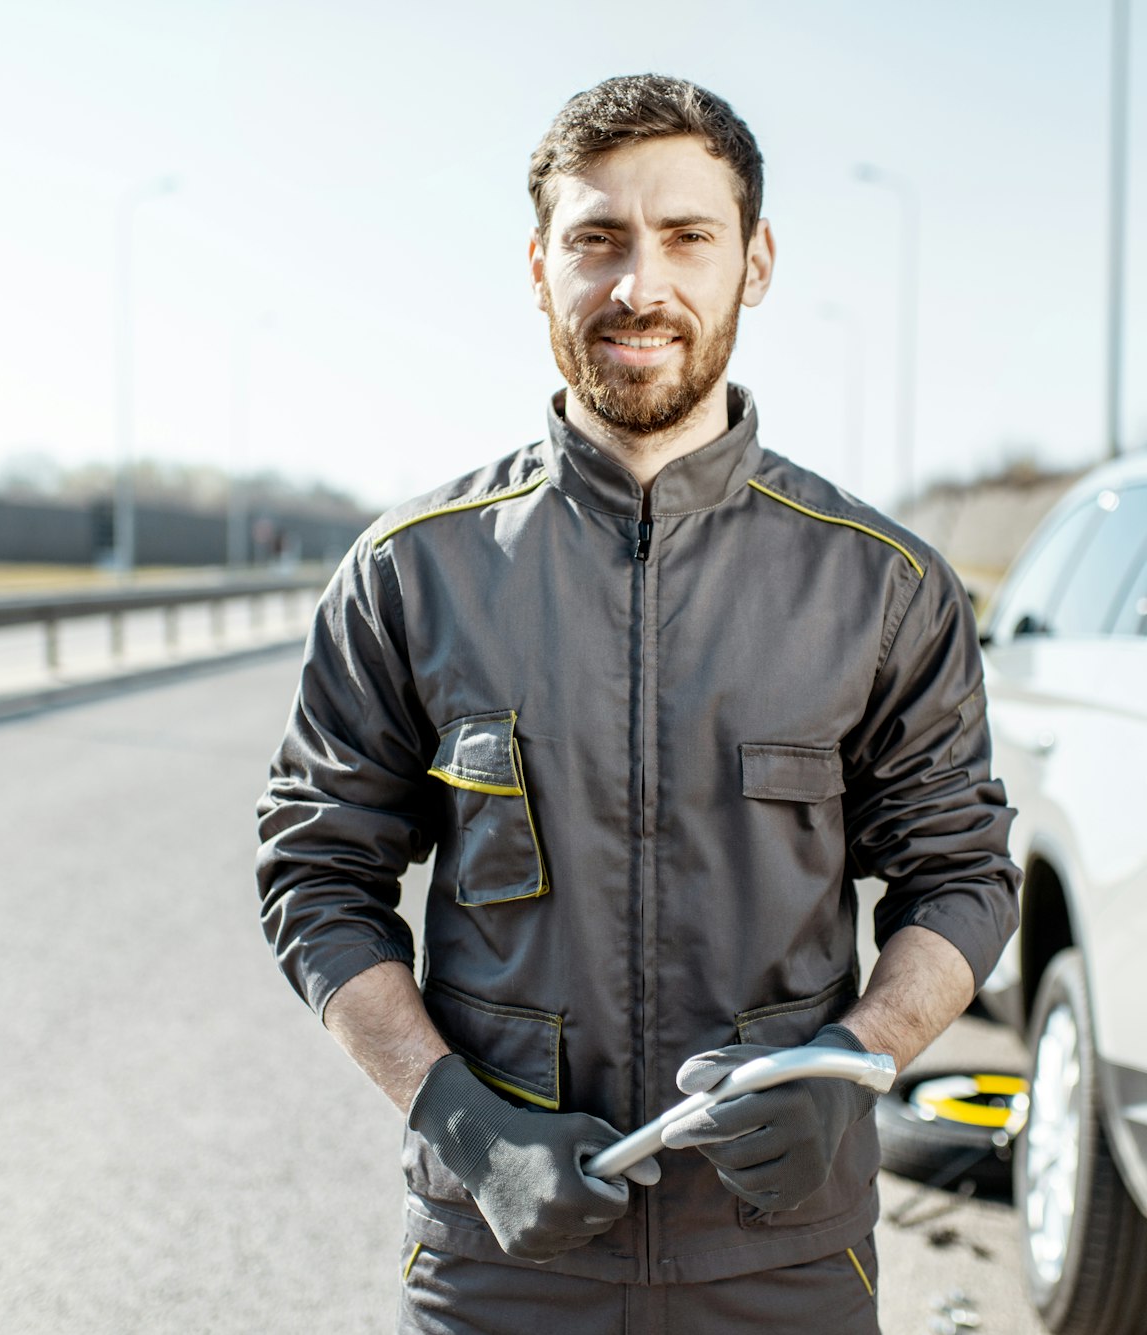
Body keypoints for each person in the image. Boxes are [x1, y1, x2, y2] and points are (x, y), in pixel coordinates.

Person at [257, 73, 1019, 1334]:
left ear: (754, 260)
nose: (638, 286)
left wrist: (857, 1057)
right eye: (597, 239)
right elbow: (315, 880)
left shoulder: (880, 586)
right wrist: (455, 1117)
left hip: (783, 1261)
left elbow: (963, 879)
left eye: (685, 237)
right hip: (499, 1261)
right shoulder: (410, 575)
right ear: (539, 264)